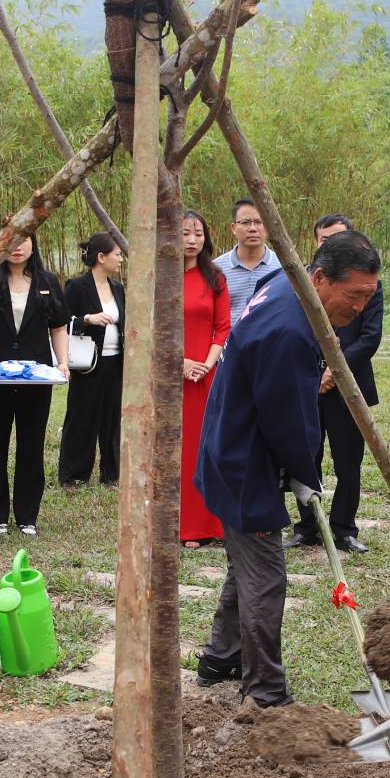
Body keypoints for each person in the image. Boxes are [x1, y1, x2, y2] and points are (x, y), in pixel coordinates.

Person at [195, 232, 383, 704]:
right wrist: (306, 472)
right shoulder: (290, 329)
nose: (360, 306)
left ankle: (220, 657)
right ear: (319, 278)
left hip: (233, 443)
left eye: (368, 296)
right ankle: (265, 691)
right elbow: (290, 417)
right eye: (354, 295)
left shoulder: (287, 284)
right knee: (265, 574)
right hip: (243, 458)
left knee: (247, 564)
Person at [288, 214, 383, 554]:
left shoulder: (368, 284)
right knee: (306, 456)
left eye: (338, 238)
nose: (330, 245)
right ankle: (307, 526)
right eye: (324, 239)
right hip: (309, 384)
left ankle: (344, 528)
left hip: (348, 386)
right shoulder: (303, 282)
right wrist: (318, 372)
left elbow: (371, 337)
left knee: (348, 462)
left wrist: (335, 371)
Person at [0, 233, 68, 535]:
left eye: (24, 240)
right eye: (11, 242)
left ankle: (27, 517)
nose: (17, 247)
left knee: (31, 447)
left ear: (34, 243)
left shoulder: (47, 281)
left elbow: (58, 327)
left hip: (37, 380)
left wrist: (61, 362)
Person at [59, 232, 127, 487]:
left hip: (116, 361)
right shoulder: (76, 286)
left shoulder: (118, 288)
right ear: (101, 257)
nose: (121, 259)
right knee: (82, 416)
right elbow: (61, 322)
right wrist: (88, 319)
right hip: (88, 362)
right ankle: (74, 474)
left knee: (112, 417)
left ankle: (112, 473)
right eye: (117, 254)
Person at [180, 210, 230, 547]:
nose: (192, 240)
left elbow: (223, 327)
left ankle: (209, 524)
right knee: (178, 450)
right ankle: (182, 526)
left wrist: (206, 364)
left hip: (207, 377)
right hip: (171, 377)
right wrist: (181, 362)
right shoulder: (160, 277)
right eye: (184, 233)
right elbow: (151, 327)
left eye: (197, 233)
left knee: (208, 449)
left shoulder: (215, 277)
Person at [214, 197, 282, 319]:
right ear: (233, 228)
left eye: (259, 222)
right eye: (245, 222)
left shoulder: (282, 267)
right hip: (229, 337)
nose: (252, 228)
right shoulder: (216, 268)